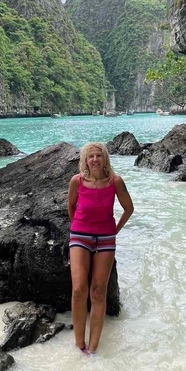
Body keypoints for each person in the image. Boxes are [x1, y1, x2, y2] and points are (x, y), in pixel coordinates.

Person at [67, 142, 134, 355]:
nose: (95, 159)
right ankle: (79, 344)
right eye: (91, 156)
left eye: (99, 155)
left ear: (105, 159)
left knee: (98, 291)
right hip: (80, 235)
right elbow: (71, 207)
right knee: (79, 289)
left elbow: (128, 208)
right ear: (85, 160)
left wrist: (114, 230)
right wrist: (78, 227)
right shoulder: (77, 181)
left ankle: (93, 347)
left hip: (106, 237)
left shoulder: (115, 182)